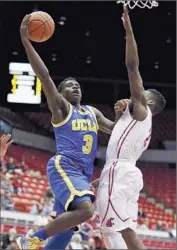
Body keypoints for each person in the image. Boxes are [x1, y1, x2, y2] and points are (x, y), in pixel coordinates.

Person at [17, 15, 116, 250]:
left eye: (78, 85)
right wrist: (26, 41)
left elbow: (117, 131)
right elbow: (44, 76)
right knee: (86, 211)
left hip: (81, 174)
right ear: (60, 93)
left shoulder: (93, 113)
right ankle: (31, 239)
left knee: (66, 229)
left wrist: (127, 113)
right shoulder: (62, 109)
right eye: (70, 85)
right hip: (65, 166)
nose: (76, 86)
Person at [95, 7, 166, 250]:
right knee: (115, 229)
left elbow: (132, 66)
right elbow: (117, 138)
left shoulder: (142, 109)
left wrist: (129, 31)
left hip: (119, 172)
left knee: (120, 230)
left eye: (141, 94)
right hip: (124, 173)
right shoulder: (139, 121)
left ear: (149, 102)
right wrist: (117, 116)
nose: (135, 94)